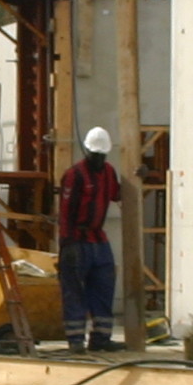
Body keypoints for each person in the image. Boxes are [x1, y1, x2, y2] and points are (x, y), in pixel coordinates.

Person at [55, 127, 122, 351]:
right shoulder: (75, 175)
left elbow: (118, 194)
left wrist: (142, 175)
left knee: (104, 287)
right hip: (77, 239)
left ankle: (101, 338)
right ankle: (75, 340)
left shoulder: (109, 172)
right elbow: (65, 213)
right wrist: (66, 244)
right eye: (95, 154)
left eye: (101, 155)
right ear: (87, 151)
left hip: (98, 239)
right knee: (73, 290)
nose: (98, 159)